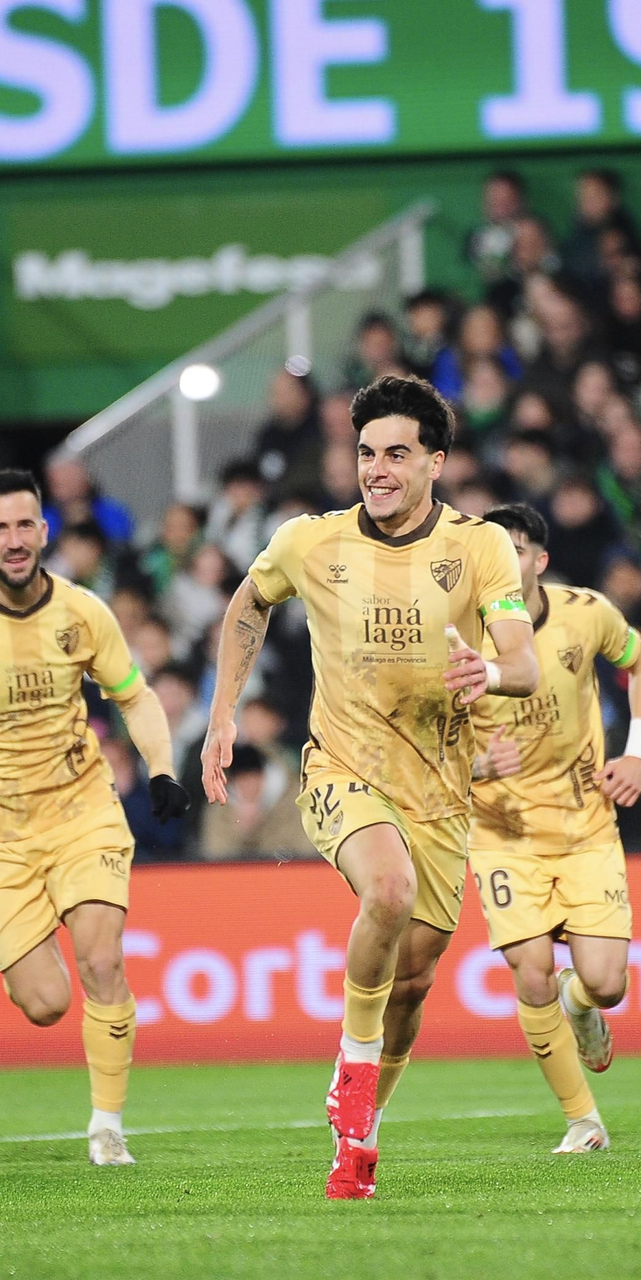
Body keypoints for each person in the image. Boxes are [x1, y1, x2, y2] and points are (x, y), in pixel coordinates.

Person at [200, 374, 539, 1200]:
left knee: (415, 977)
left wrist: (486, 670)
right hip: (342, 769)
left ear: (436, 462)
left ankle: (362, 1133)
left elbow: (524, 665)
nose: (376, 468)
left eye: (396, 453)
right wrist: (220, 714)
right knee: (384, 891)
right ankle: (351, 1071)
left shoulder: (480, 548)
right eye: (365, 452)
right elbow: (250, 601)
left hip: (439, 789)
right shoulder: (310, 541)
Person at [0, 469, 190, 1167]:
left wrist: (161, 766)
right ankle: (29, 937)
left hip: (81, 808)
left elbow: (134, 696)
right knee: (47, 1001)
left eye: (26, 525)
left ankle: (108, 1127)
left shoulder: (83, 611)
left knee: (103, 958)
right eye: (0, 527)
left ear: (44, 531)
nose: (15, 539)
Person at [466, 503, 641, 1154]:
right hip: (501, 829)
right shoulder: (455, 635)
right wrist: (477, 763)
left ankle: (582, 1009)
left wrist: (637, 751)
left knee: (605, 982)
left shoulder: (585, 611)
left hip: (584, 823)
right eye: (493, 551)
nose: (505, 562)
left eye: (516, 550)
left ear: (539, 561)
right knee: (531, 973)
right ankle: (583, 1119)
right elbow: (418, 745)